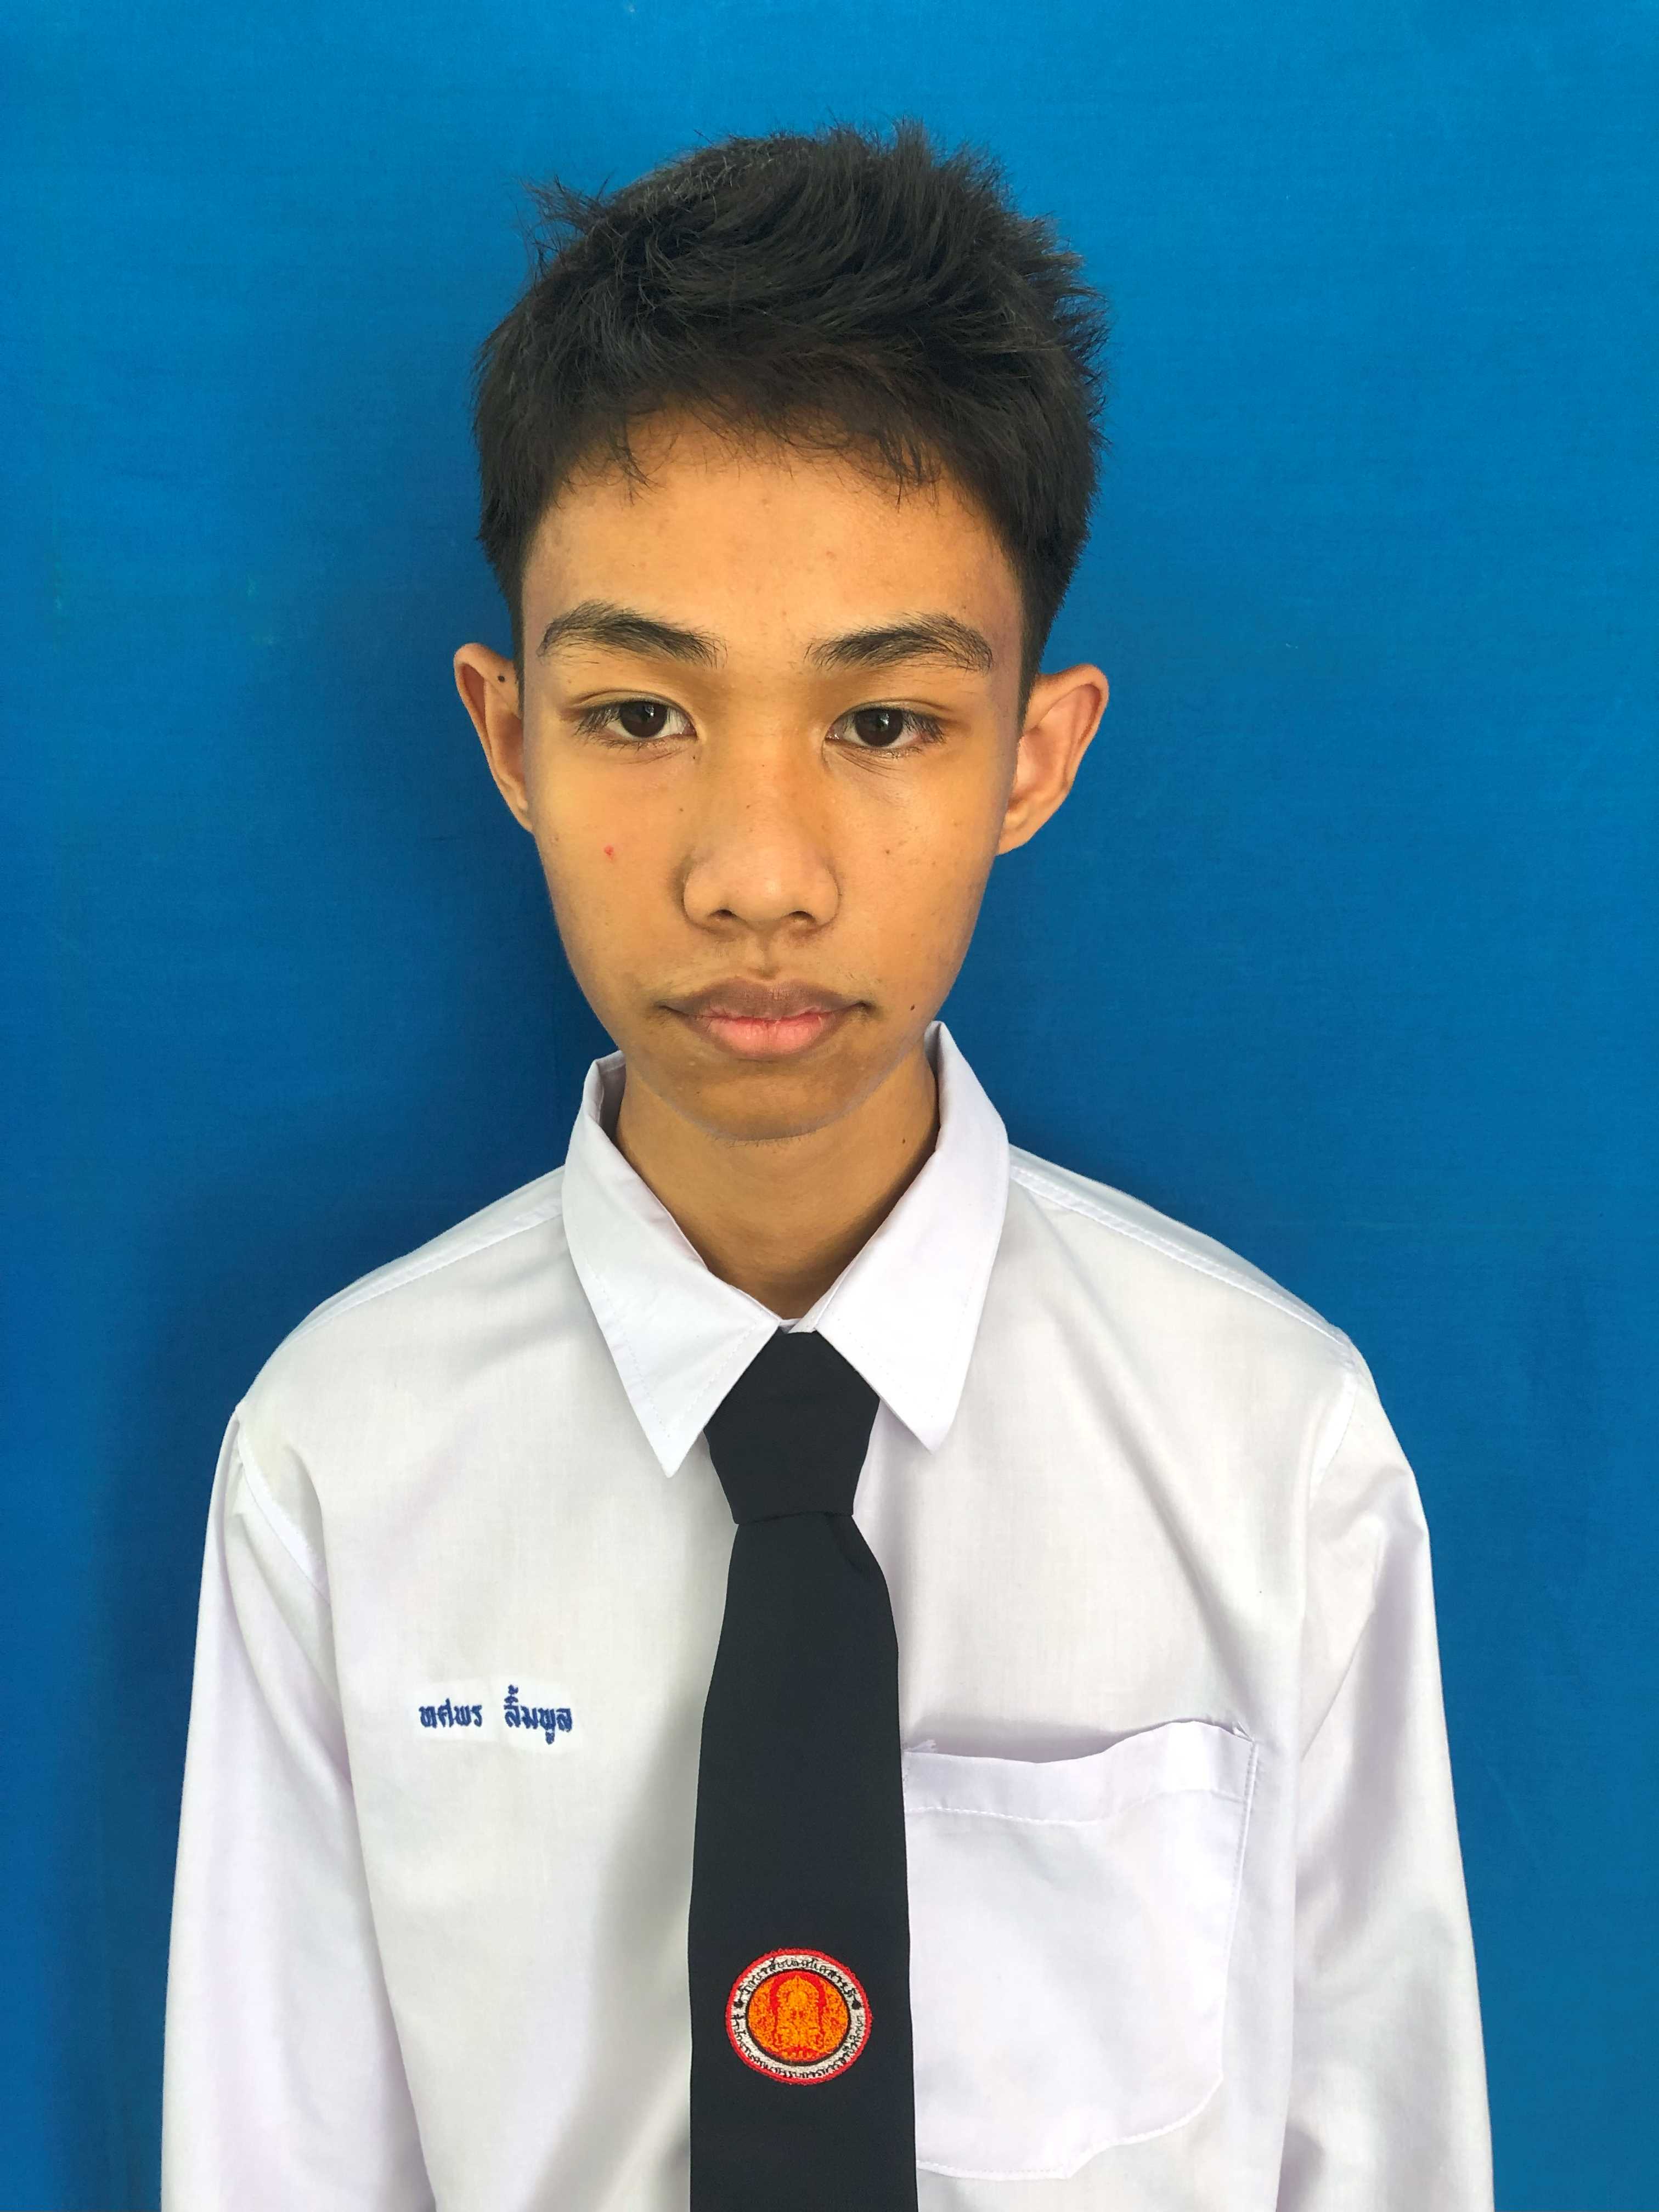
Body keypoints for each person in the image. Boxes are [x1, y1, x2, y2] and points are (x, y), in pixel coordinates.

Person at [160, 120, 1494, 2210]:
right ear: (507, 737)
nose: (756, 877)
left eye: (881, 725)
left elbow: (1390, 2155)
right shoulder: (340, 1454)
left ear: (1034, 754)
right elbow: (279, 2161)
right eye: (640, 715)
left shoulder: (1273, 1452)